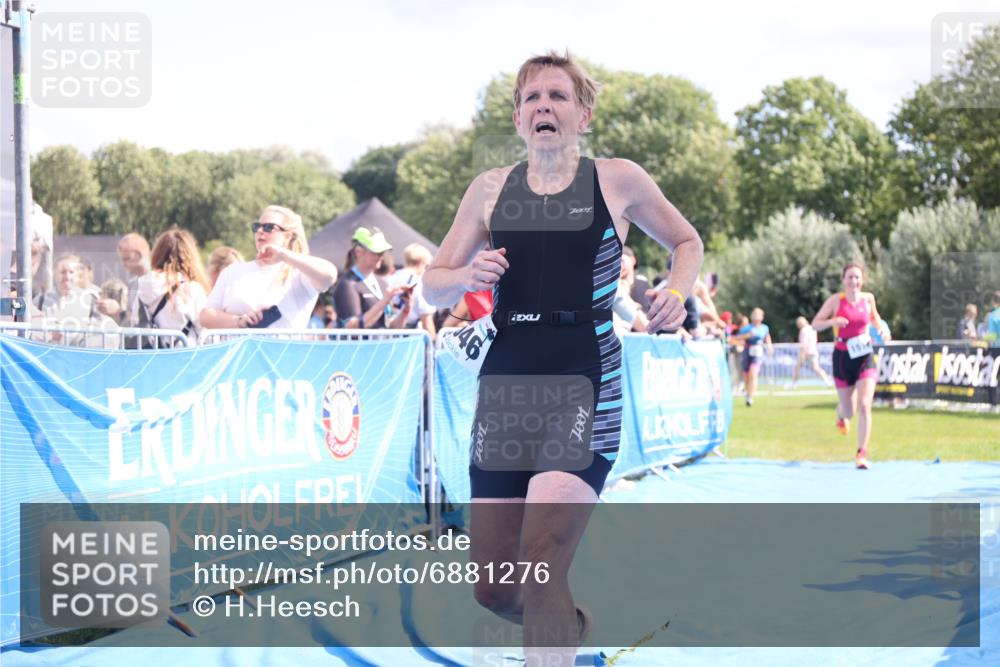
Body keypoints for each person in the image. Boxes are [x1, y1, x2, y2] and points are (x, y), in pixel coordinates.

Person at [421, 51, 702, 665]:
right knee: (496, 590)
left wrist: (676, 293)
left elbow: (687, 240)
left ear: (583, 115)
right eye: (532, 98)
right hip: (507, 382)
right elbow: (432, 284)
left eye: (558, 96)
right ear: (518, 119)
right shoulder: (489, 189)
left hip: (584, 375)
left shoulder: (618, 180)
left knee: (542, 559)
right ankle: (567, 626)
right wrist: (465, 274)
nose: (543, 106)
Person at [200, 205, 338, 330]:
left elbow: (330, 275)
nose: (260, 231)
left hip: (283, 350)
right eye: (257, 226)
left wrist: (283, 255)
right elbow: (205, 316)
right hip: (240, 350)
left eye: (269, 227)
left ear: (287, 236)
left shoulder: (298, 273)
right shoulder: (232, 271)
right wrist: (240, 321)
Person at [812, 263, 890, 469]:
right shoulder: (835, 301)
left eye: (857, 277)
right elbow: (815, 324)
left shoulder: (868, 299)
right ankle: (841, 413)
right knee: (849, 411)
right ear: (843, 280)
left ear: (862, 280)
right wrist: (833, 321)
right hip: (842, 357)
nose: (853, 281)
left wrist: (881, 329)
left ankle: (861, 454)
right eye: (850, 277)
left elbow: (874, 317)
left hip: (865, 355)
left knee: (865, 405)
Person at [134, 229, 211, 343]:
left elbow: (135, 321)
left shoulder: (143, 287)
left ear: (157, 254)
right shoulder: (192, 289)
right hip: (186, 352)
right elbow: (206, 332)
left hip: (150, 352)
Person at [331, 227, 411, 329]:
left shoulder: (381, 282)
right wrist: (384, 301)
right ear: (359, 251)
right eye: (377, 252)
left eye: (382, 252)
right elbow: (352, 327)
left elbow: (392, 327)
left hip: (382, 340)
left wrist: (406, 308)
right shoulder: (347, 284)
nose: (381, 257)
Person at [388, 243, 439, 337]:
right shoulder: (421, 283)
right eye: (426, 266)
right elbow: (427, 321)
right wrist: (434, 342)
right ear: (421, 263)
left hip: (388, 332)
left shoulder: (390, 278)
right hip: (410, 336)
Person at [734, 307, 772, 406]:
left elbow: (767, 336)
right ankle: (748, 394)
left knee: (753, 373)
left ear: (762, 317)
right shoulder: (746, 328)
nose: (756, 317)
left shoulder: (764, 327)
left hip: (758, 352)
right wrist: (747, 336)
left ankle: (750, 396)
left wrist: (769, 345)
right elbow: (736, 338)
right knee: (747, 375)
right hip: (747, 352)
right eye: (754, 314)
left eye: (758, 315)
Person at [116, 233, 151, 326]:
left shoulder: (160, 281)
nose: (123, 264)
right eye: (122, 259)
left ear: (140, 254)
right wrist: (117, 313)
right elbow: (130, 320)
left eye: (127, 258)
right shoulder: (132, 284)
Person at [790, 316, 831, 388]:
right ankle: (827, 380)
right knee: (815, 368)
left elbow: (804, 343)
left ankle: (793, 383)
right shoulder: (812, 329)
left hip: (806, 352)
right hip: (813, 350)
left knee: (798, 367)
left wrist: (802, 353)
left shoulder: (803, 330)